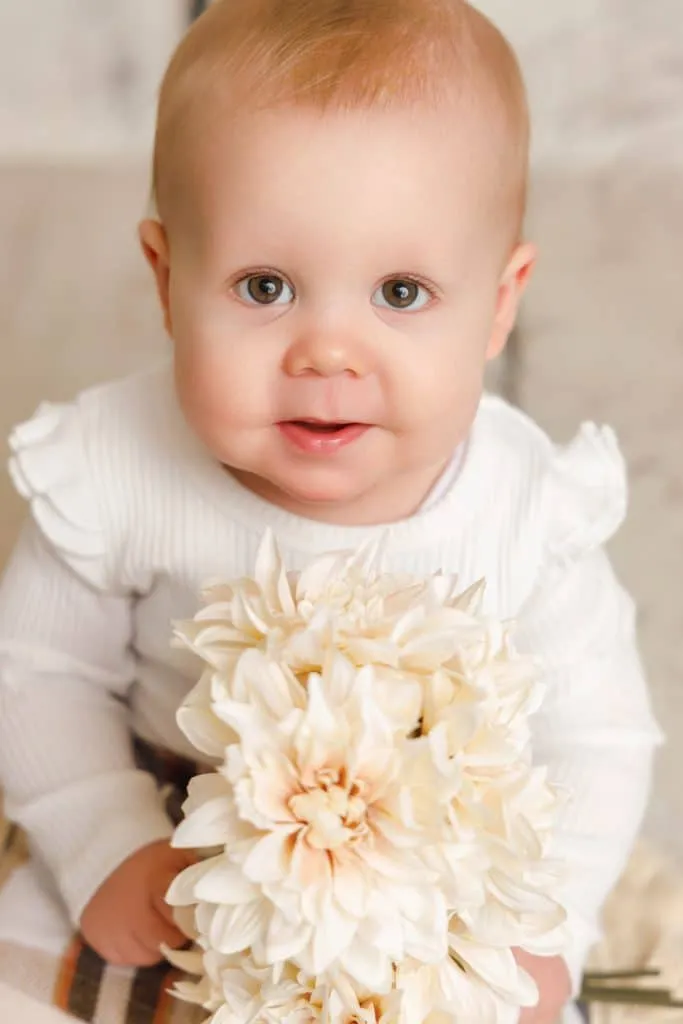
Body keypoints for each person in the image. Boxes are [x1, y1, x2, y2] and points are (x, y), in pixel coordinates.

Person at [0, 1, 662, 1021]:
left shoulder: (523, 508)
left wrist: (552, 926)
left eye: (399, 293)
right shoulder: (117, 466)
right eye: (265, 285)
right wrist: (101, 836)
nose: (328, 353)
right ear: (167, 279)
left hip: (423, 866)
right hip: (169, 826)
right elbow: (37, 669)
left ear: (498, 302)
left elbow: (597, 735)